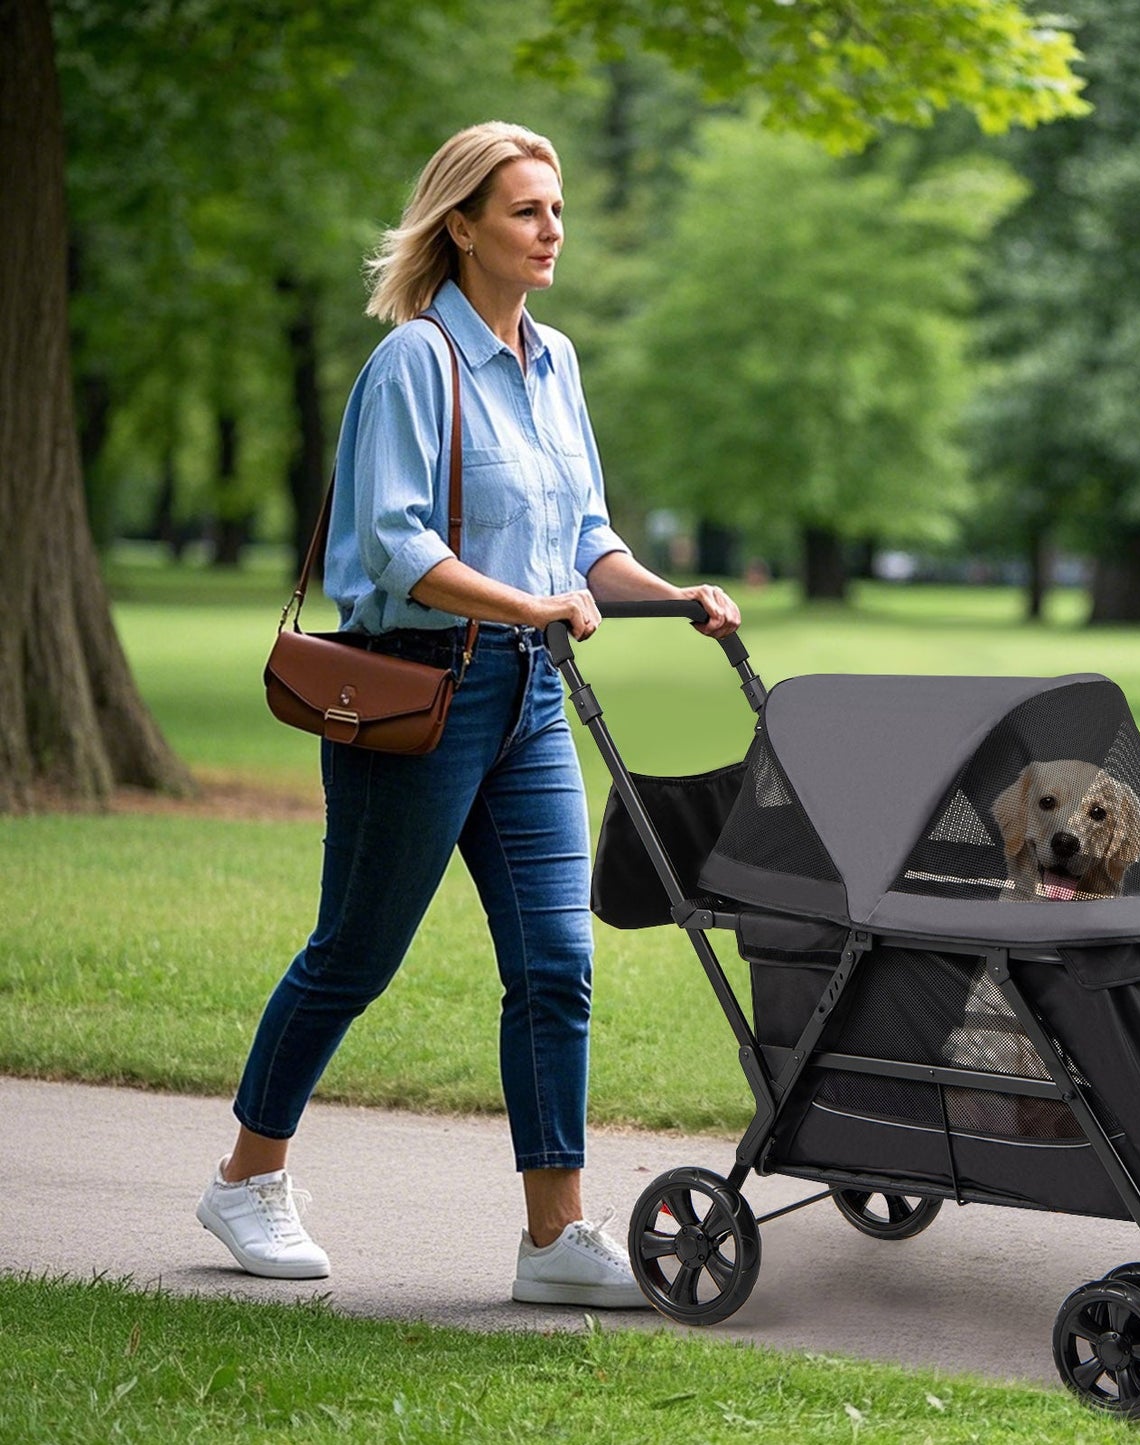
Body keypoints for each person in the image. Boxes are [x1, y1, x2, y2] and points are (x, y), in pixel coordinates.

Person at [196, 122, 740, 1308]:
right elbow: (398, 544)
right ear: (461, 225)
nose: (552, 231)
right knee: (355, 952)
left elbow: (584, 537)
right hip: (419, 688)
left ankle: (554, 1235)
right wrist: (526, 602)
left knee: (556, 961)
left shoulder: (556, 361)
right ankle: (246, 1178)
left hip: (530, 695)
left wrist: (671, 596)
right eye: (526, 211)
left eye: (557, 209)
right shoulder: (414, 362)